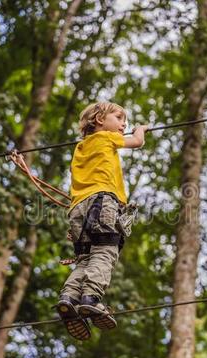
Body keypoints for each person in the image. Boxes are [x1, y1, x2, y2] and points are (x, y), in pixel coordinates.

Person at [55, 101, 148, 340]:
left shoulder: (79, 149)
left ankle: (69, 297)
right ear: (99, 120)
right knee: (105, 251)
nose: (124, 124)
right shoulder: (106, 138)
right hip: (102, 202)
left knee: (85, 258)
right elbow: (137, 142)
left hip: (77, 209)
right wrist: (141, 129)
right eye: (119, 118)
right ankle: (91, 298)